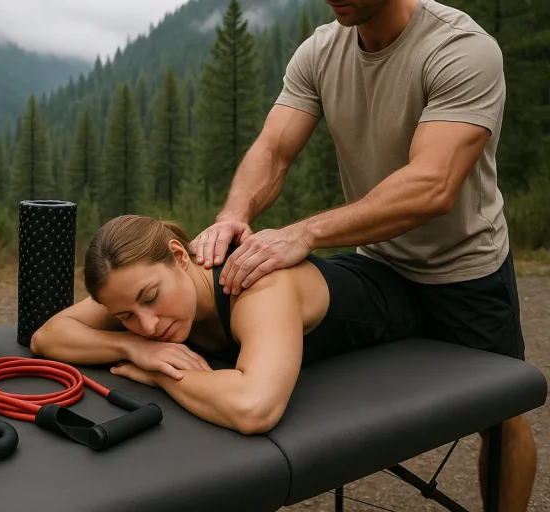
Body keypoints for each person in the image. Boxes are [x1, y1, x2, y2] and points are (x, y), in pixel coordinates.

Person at [189, 0, 536, 510]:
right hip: (378, 266)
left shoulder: (460, 48)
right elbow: (274, 149)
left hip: (464, 269)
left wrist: (305, 232)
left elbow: (433, 185)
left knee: (503, 419)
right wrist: (233, 214)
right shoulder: (320, 51)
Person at [30, 214, 417, 434]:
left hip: (406, 300)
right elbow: (48, 336)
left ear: (180, 256)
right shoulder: (132, 290)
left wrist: (161, 374)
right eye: (125, 316)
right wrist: (134, 347)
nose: (147, 324)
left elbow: (254, 408)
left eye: (151, 298)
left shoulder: (256, 288)